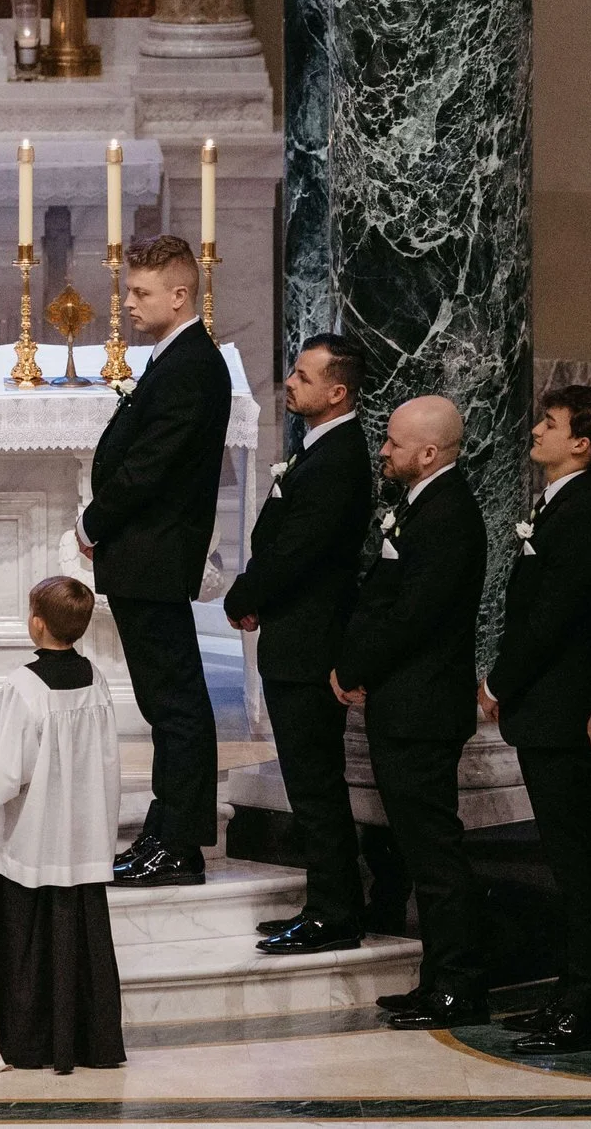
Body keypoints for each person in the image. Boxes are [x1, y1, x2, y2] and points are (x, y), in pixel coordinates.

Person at [77, 236, 230, 889]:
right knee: (166, 699)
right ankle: (164, 831)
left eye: (141, 292)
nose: (129, 304)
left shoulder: (192, 364)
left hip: (156, 551)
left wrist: (93, 520)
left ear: (179, 293)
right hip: (147, 555)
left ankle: (179, 842)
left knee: (176, 703)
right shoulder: (176, 359)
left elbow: (149, 466)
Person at [480, 385, 591, 1052]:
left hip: (561, 708)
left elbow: (552, 618)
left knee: (575, 858)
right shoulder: (561, 505)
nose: (535, 429)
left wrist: (499, 680)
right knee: (566, 856)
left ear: (582, 443)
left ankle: (587, 1002)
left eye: (550, 422)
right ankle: (572, 993)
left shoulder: (584, 513)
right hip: (547, 708)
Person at [333, 395, 488, 1029]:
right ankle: (436, 980)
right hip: (408, 703)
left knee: (436, 855)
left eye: (395, 443)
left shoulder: (448, 514)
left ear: (429, 453)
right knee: (423, 852)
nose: (385, 451)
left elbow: (414, 615)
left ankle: (459, 986)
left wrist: (355, 666)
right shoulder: (425, 505)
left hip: (422, 707)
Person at [226, 334, 374, 956]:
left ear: (337, 392)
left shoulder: (339, 458)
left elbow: (296, 551)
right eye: (292, 369)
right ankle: (326, 902)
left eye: (304, 376)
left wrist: (243, 594)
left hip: (311, 642)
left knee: (315, 785)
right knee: (307, 782)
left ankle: (335, 911)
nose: (290, 381)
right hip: (295, 635)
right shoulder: (316, 449)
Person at [0, 574, 125, 1075]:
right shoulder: (97, 679)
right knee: (80, 936)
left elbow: (5, 774)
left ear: (36, 623)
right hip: (79, 835)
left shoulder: (23, 686)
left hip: (32, 841)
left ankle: (28, 1041)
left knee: (25, 941)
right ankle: (90, 1041)